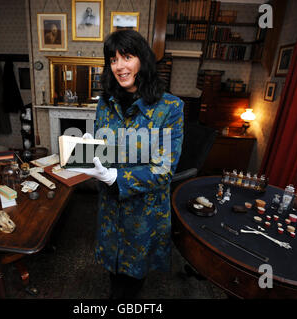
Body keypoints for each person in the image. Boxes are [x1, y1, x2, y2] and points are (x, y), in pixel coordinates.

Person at [68, 30, 184, 299]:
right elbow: (104, 149)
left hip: (144, 213)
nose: (119, 66)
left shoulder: (170, 107)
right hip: (110, 209)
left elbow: (163, 169)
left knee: (131, 280)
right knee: (113, 271)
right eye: (113, 59)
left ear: (142, 59)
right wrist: (89, 151)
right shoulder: (105, 103)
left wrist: (113, 177)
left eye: (127, 57)